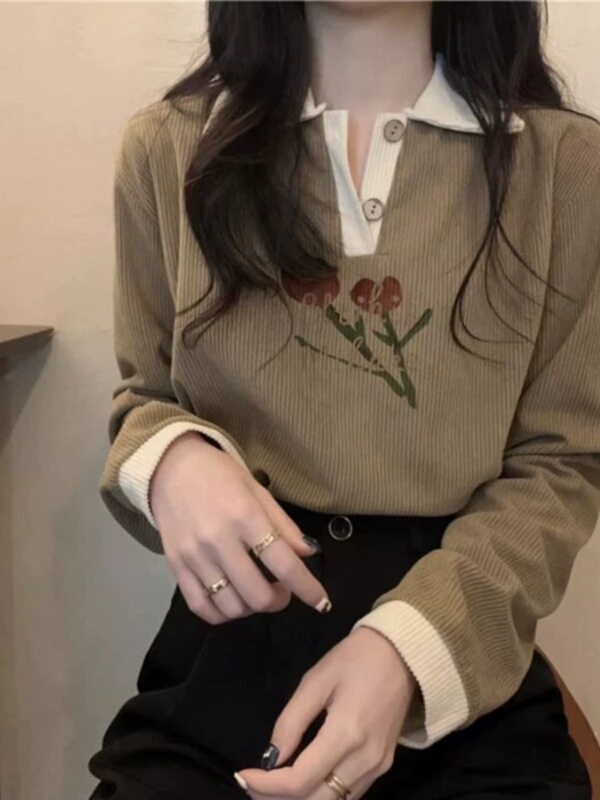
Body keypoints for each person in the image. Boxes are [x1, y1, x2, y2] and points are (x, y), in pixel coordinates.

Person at [87, 2, 600, 798]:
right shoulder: (167, 148)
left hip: (460, 673)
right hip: (223, 674)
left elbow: (562, 463)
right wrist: (173, 461)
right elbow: (142, 400)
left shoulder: (565, 168)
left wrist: (409, 648)